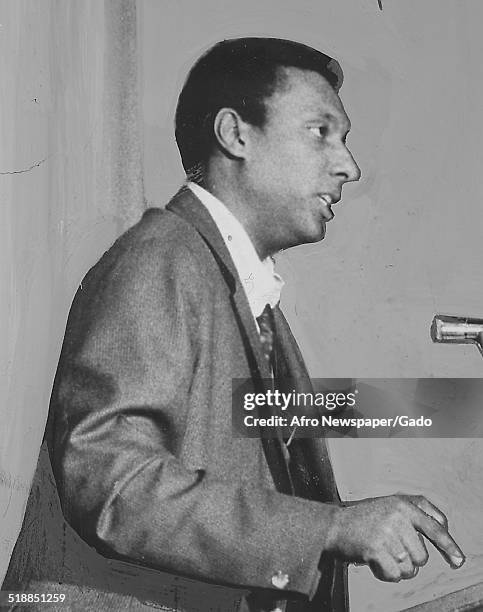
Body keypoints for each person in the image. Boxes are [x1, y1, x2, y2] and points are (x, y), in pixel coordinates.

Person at [17, 38, 465, 612]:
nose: (348, 166)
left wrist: (354, 515)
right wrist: (329, 529)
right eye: (320, 132)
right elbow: (111, 484)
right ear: (235, 135)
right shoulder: (160, 258)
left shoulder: (240, 291)